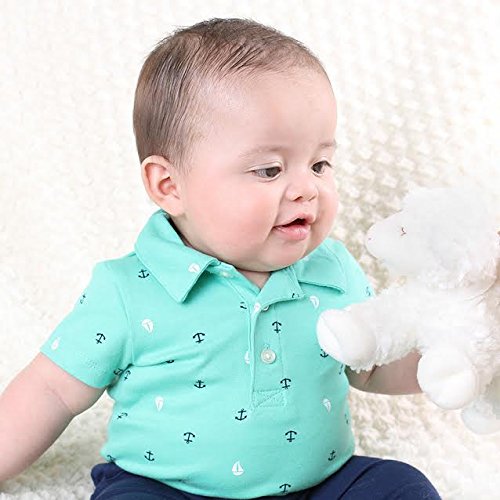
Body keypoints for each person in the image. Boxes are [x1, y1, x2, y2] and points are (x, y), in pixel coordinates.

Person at [0, 18, 441, 500]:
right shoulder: (129, 290)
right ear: (170, 185)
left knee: (402, 487)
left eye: (319, 164)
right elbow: (50, 390)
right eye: (269, 169)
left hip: (318, 484)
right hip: (166, 487)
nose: (307, 189)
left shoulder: (331, 272)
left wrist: (459, 357)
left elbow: (373, 365)